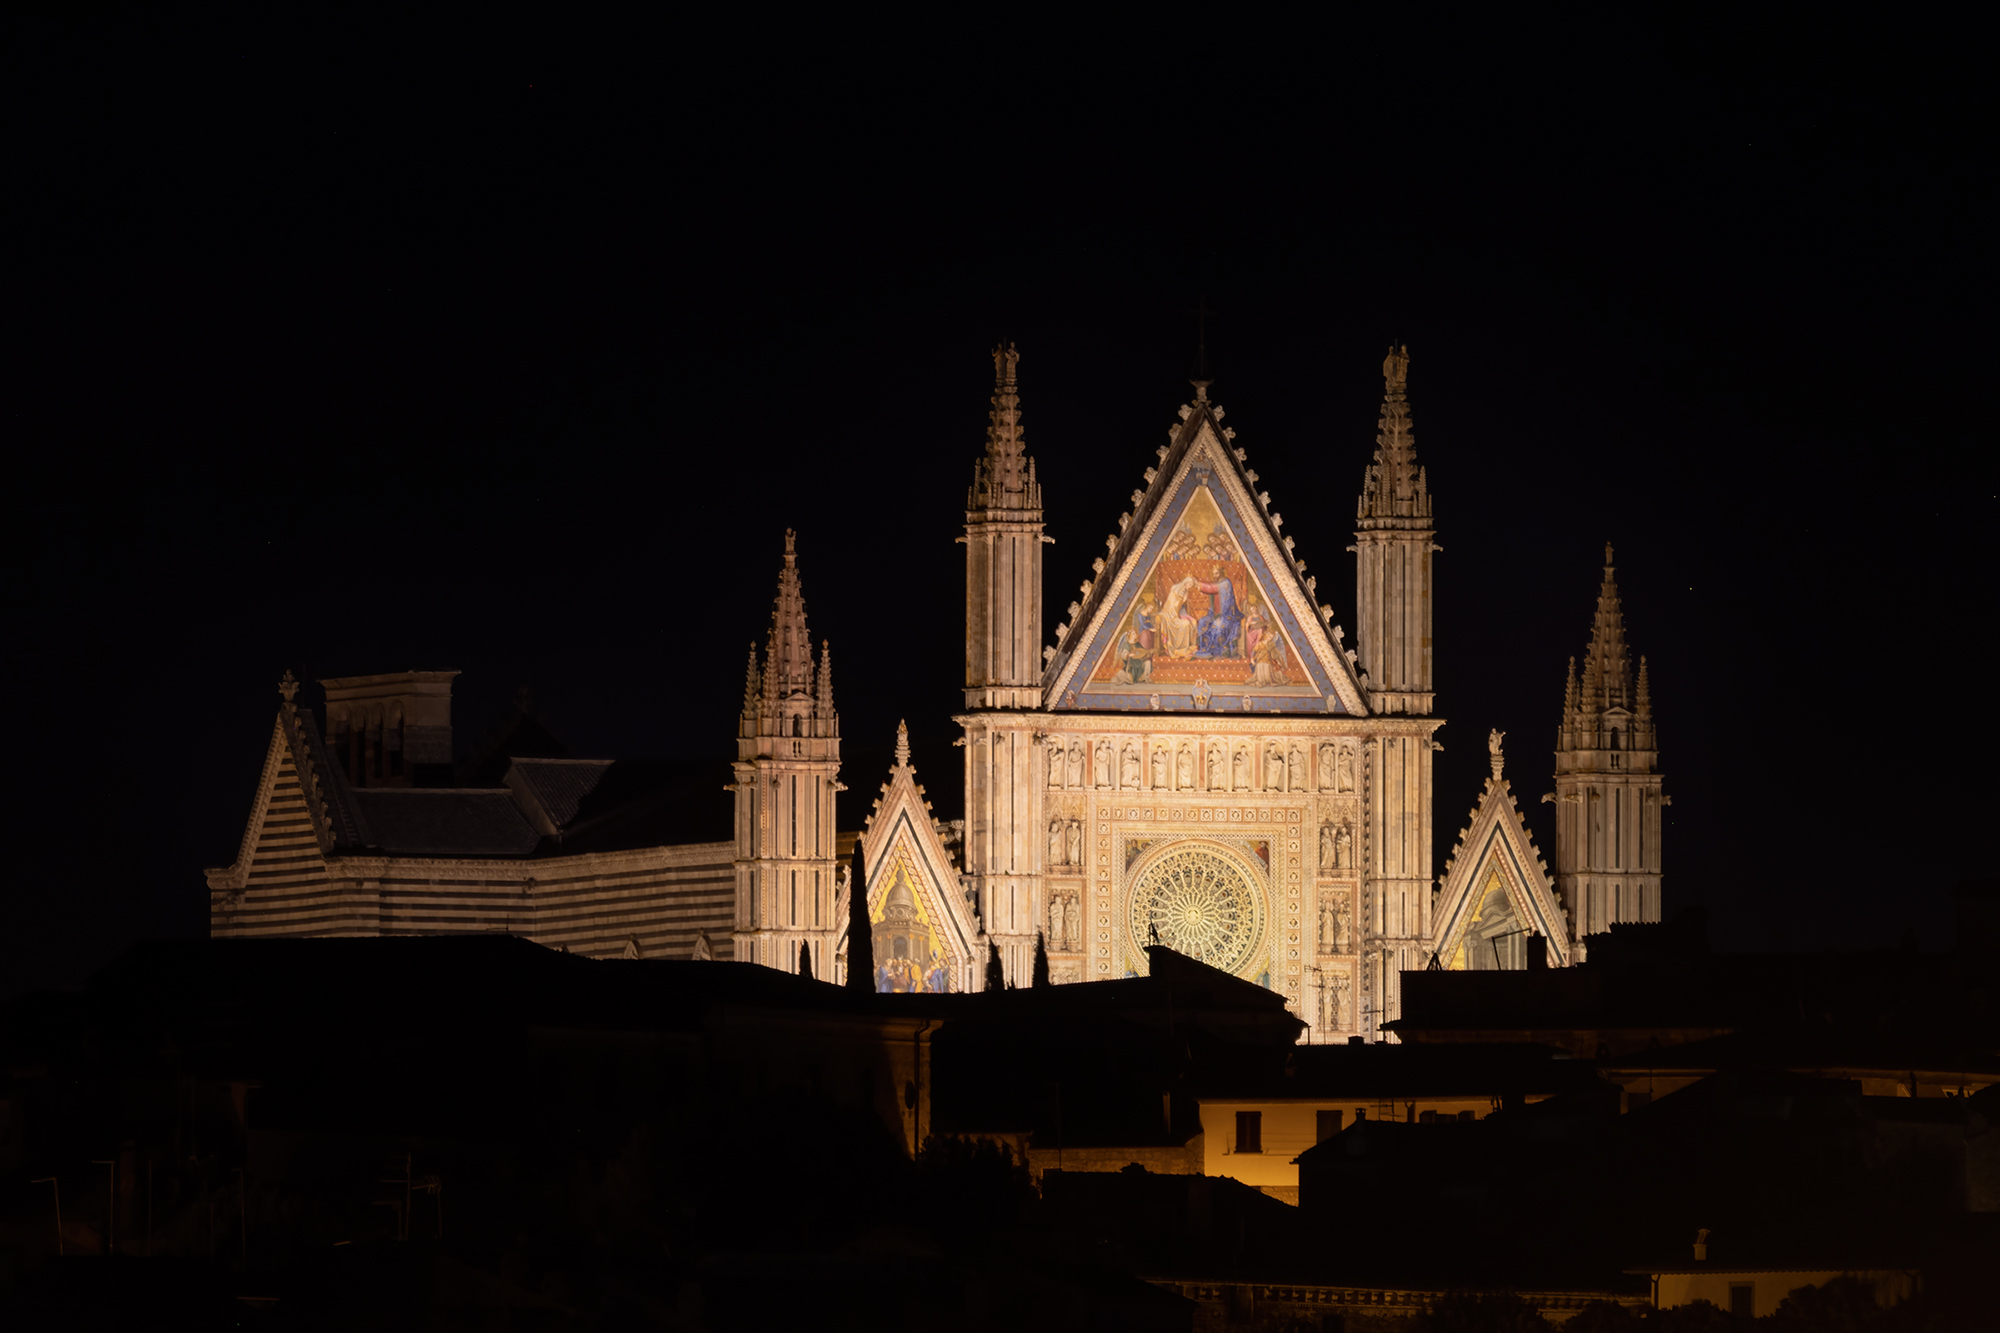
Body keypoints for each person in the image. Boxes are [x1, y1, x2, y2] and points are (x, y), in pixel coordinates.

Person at [1194, 564, 1243, 658]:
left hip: (1227, 613)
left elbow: (1213, 588)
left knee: (1218, 626)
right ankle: (1203, 649)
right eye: (1213, 574)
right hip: (1214, 612)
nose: (1215, 575)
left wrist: (1199, 585)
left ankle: (1220, 651)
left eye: (1216, 573)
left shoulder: (1226, 583)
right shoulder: (1219, 582)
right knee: (1202, 622)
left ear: (1221, 573)